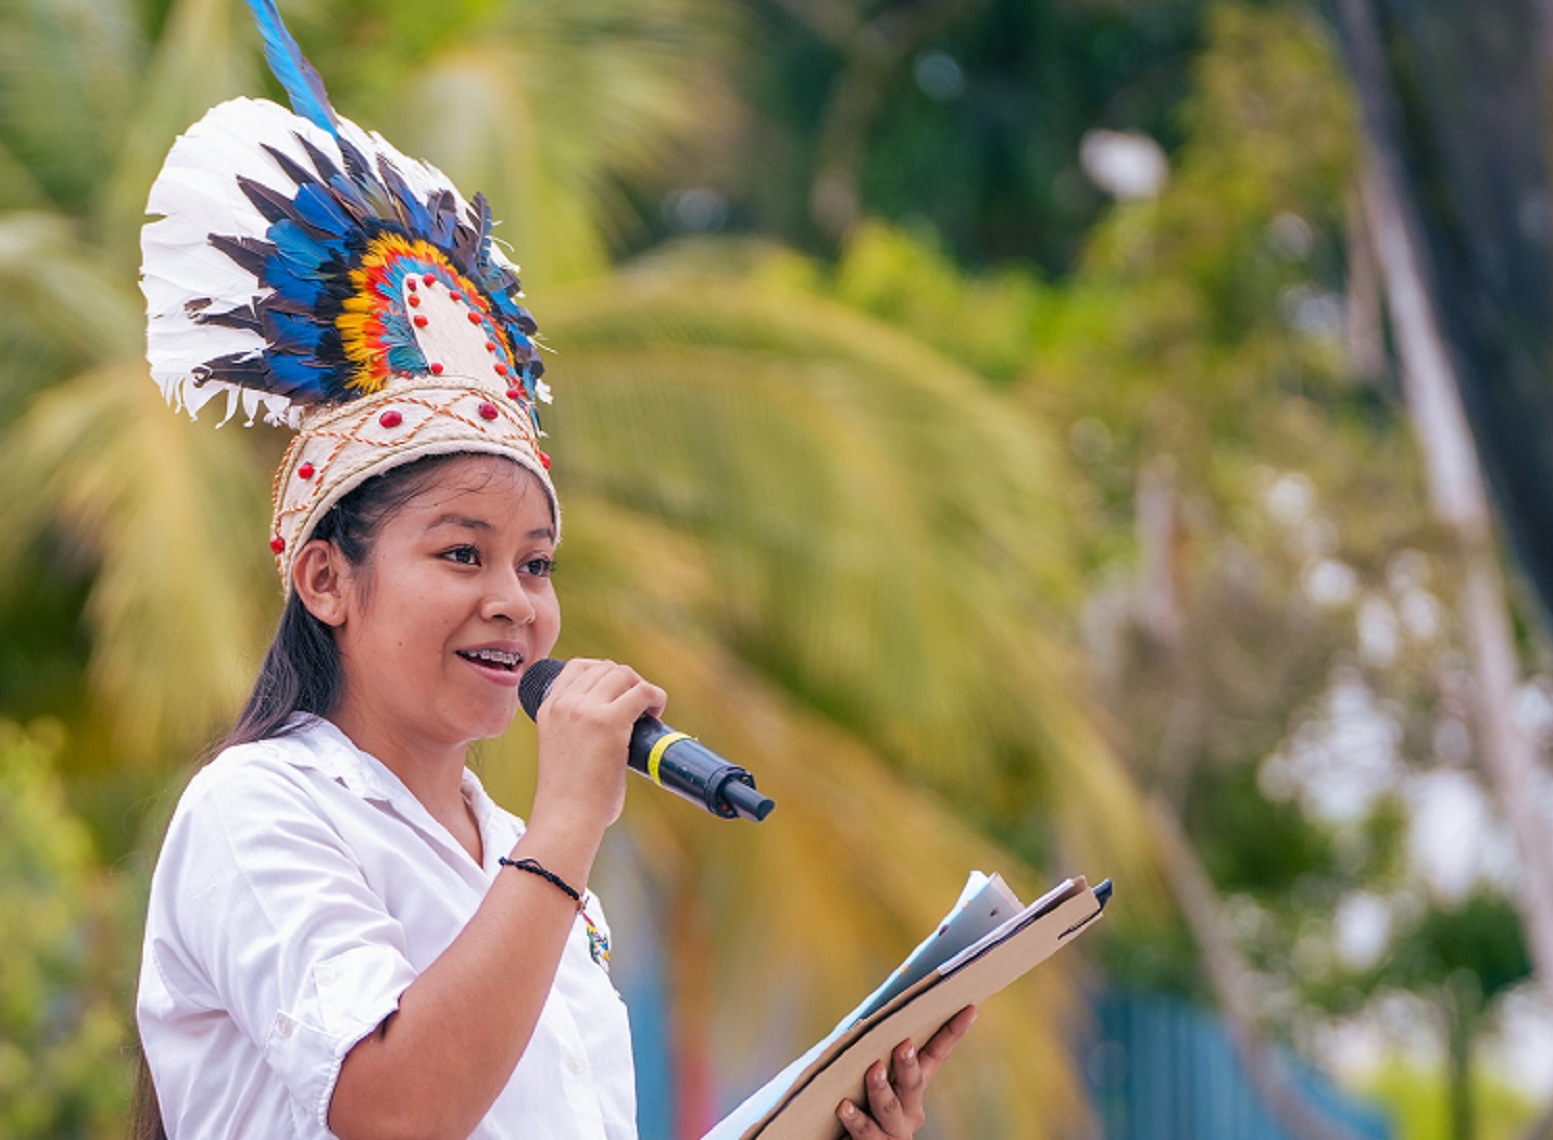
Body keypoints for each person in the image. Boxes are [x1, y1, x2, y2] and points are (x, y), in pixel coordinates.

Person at [131, 4, 974, 1136]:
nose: (514, 603)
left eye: (536, 564)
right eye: (461, 553)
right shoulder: (259, 809)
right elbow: (391, 1107)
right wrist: (569, 825)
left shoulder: (512, 854)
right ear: (327, 581)